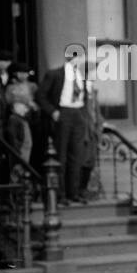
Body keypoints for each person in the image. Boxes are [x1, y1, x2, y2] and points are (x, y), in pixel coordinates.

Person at [37, 49, 90, 205]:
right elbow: (40, 95)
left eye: (81, 57)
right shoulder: (55, 74)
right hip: (63, 113)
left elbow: (84, 97)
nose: (79, 60)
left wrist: (83, 114)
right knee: (61, 154)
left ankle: (74, 192)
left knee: (77, 155)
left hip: (78, 113)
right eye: (77, 57)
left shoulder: (82, 76)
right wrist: (53, 112)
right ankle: (60, 195)